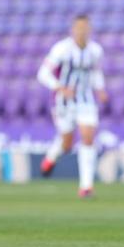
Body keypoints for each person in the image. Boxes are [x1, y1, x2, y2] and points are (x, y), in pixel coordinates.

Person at [37, 15, 107, 198]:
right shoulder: (62, 49)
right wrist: (60, 87)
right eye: (79, 28)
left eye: (85, 28)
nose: (82, 31)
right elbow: (43, 74)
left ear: (89, 30)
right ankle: (51, 157)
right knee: (67, 143)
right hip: (63, 102)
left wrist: (100, 90)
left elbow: (95, 73)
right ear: (73, 30)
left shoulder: (95, 51)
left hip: (86, 100)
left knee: (88, 136)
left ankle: (86, 186)